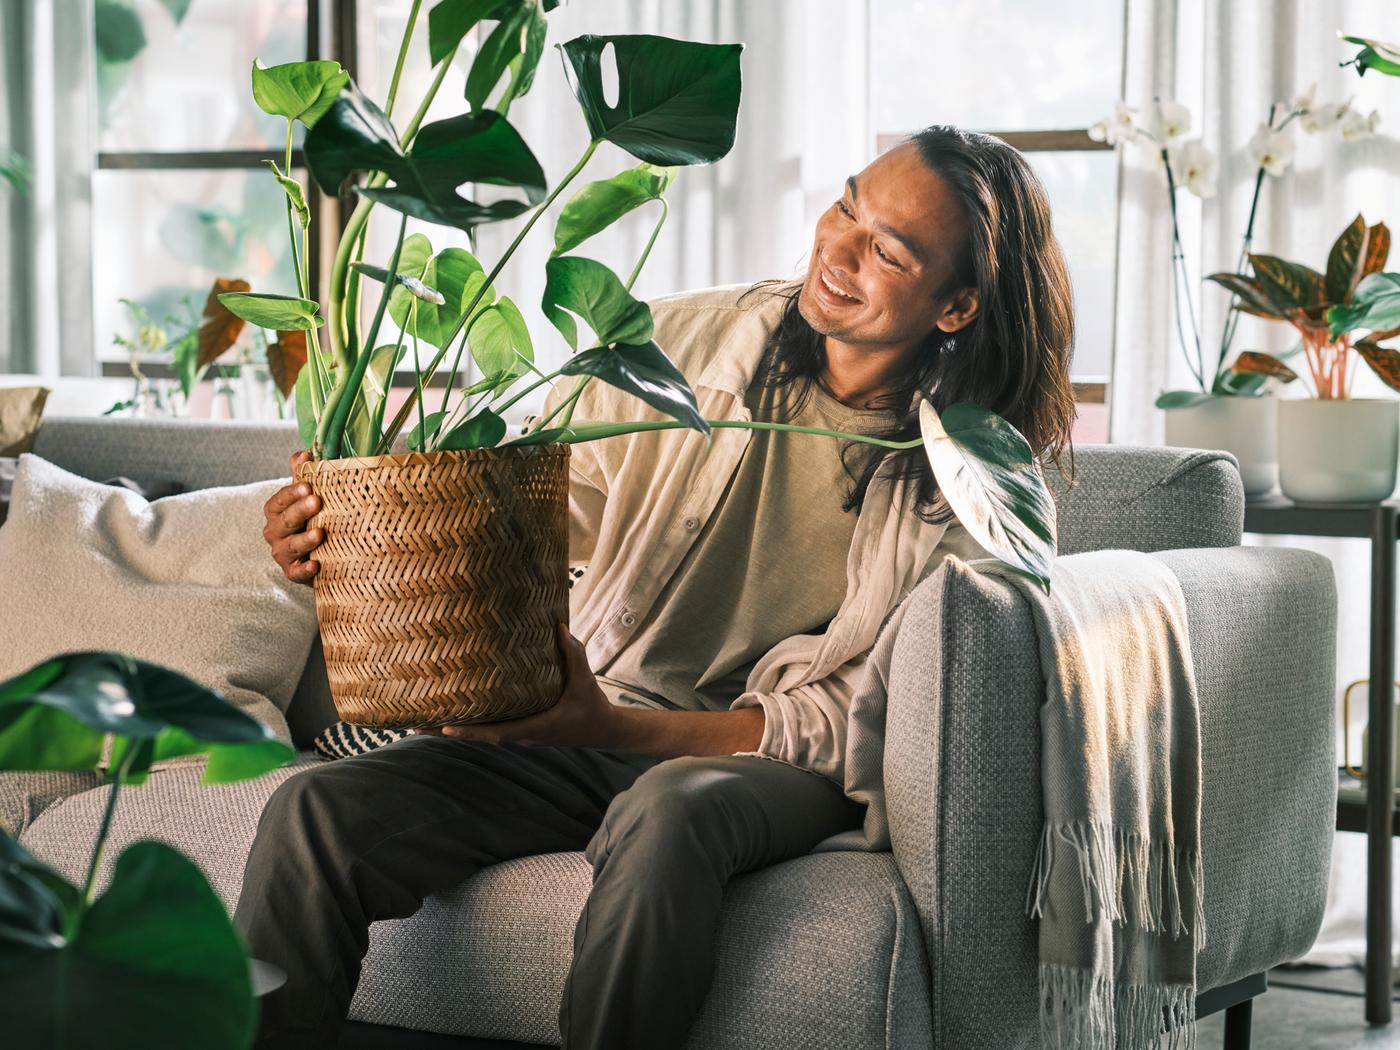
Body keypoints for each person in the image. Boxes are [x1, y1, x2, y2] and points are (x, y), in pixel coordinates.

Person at [237, 124, 1076, 1049]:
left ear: (955, 308)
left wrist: (619, 729)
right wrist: (353, 539)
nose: (838, 250)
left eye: (887, 250)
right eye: (846, 206)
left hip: (769, 763)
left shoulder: (971, 485)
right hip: (595, 718)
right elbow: (541, 515)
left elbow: (856, 731)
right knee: (314, 811)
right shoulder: (679, 342)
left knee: (673, 808)